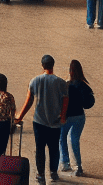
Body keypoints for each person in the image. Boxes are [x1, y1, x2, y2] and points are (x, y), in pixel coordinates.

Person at [15, 54, 69, 183]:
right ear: (53, 65)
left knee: (40, 149)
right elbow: (66, 100)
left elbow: (29, 102)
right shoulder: (61, 82)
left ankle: (40, 175)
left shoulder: (35, 81)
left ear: (42, 65)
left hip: (39, 122)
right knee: (54, 148)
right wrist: (62, 116)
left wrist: (19, 116)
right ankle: (53, 173)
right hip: (55, 122)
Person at [59, 59, 93, 176]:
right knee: (74, 140)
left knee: (62, 137)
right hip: (80, 117)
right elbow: (89, 102)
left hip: (67, 117)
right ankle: (78, 167)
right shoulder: (83, 85)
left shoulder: (67, 85)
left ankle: (65, 163)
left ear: (71, 71)